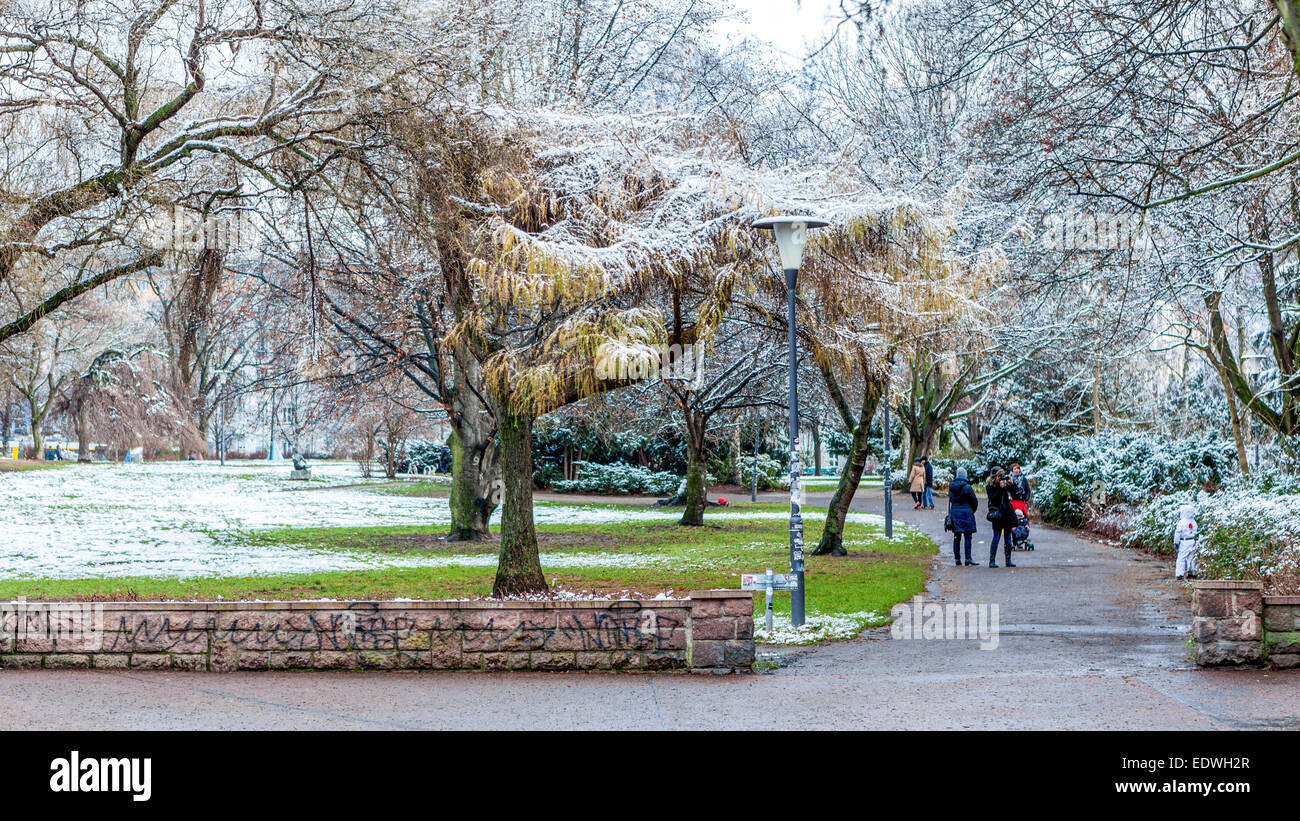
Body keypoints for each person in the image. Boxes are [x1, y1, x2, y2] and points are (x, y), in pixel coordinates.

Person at [986, 466, 1017, 568]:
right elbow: (993, 498)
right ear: (995, 477)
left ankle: (1008, 560)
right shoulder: (990, 486)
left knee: (1008, 538)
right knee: (996, 537)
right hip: (997, 514)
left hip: (1006, 514)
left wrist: (1012, 482)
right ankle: (992, 561)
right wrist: (1000, 487)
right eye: (999, 476)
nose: (1001, 478)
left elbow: (1015, 491)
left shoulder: (1004, 483)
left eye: (1001, 475)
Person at [948, 467, 979, 566]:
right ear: (965, 476)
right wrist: (971, 510)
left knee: (957, 536)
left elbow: (951, 500)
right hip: (966, 512)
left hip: (955, 512)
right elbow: (974, 501)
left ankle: (957, 559)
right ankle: (968, 558)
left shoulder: (951, 487)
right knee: (968, 536)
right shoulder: (967, 487)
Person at [1174, 504, 1199, 580]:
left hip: (1184, 541)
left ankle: (1179, 574)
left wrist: (1176, 542)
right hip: (1192, 541)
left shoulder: (1181, 522)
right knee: (1191, 557)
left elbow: (1178, 533)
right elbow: (1195, 532)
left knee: (1181, 558)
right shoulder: (1194, 522)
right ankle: (1192, 572)